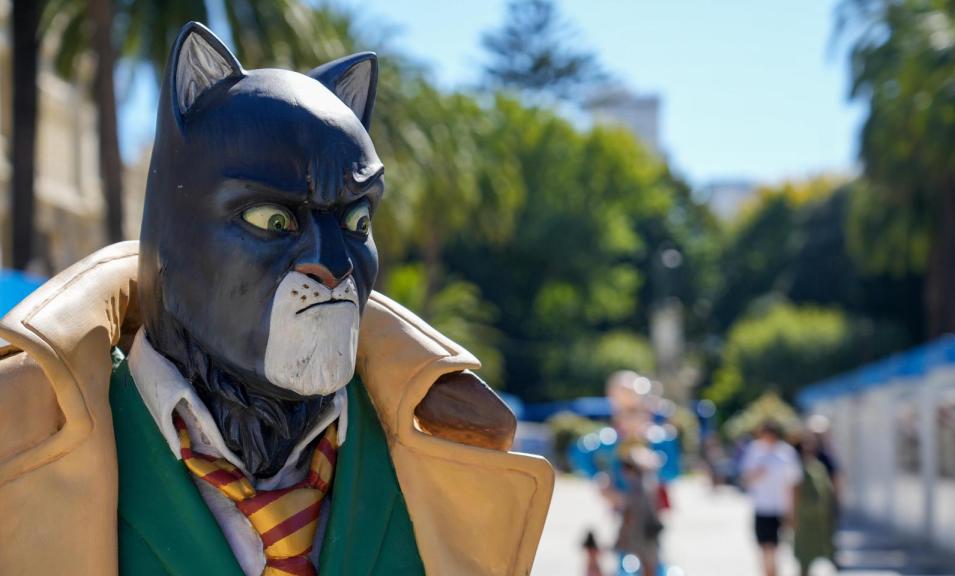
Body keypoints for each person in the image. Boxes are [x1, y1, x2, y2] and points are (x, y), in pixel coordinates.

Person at [0, 22, 553, 575]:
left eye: (357, 221)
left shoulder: (434, 449)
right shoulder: (27, 440)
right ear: (172, 225)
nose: (333, 265)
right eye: (273, 219)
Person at [741, 420, 801, 576]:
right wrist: (756, 473)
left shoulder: (785, 453)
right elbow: (745, 477)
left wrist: (792, 510)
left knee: (774, 549)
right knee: (765, 549)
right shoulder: (754, 450)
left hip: (779, 508)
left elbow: (793, 483)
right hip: (761, 507)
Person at [791, 431, 836, 576]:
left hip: (819, 517)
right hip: (803, 517)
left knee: (821, 551)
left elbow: (828, 488)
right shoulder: (796, 466)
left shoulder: (820, 466)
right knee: (804, 555)